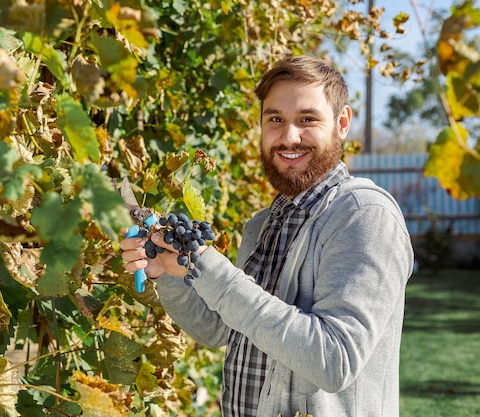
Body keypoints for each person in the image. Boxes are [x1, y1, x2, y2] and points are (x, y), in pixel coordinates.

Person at [120, 55, 414, 417]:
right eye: (276, 119)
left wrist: (203, 265)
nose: (289, 136)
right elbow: (219, 329)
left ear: (342, 123)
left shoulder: (363, 215)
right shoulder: (263, 223)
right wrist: (168, 271)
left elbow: (335, 361)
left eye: (307, 119)